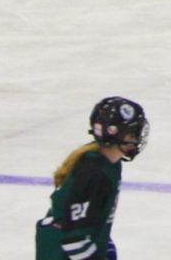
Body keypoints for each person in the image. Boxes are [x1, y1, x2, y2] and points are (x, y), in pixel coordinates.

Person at [35, 97, 145, 260]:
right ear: (117, 134)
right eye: (133, 133)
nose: (136, 138)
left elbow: (87, 220)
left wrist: (102, 242)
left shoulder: (110, 164)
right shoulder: (92, 173)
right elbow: (73, 240)